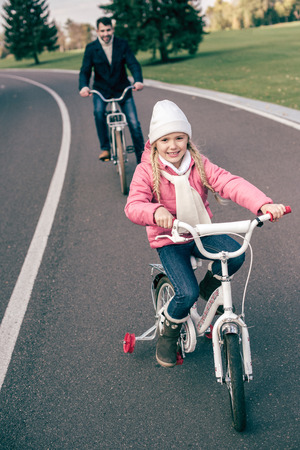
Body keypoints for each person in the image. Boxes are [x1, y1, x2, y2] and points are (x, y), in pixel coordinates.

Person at [124, 100, 286, 369]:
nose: (173, 145)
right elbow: (134, 205)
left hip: (200, 231)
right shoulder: (146, 171)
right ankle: (168, 333)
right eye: (165, 140)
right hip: (170, 239)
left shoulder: (198, 164)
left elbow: (229, 182)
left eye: (179, 138)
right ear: (154, 143)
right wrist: (155, 212)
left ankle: (209, 289)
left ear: (188, 138)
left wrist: (262, 204)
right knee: (185, 294)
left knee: (236, 254)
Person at [79, 17, 144, 164]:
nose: (105, 33)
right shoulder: (91, 48)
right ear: (97, 31)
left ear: (112, 29)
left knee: (134, 123)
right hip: (101, 90)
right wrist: (84, 86)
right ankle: (106, 148)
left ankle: (143, 162)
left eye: (108, 30)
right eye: (102, 30)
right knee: (98, 113)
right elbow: (85, 71)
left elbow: (133, 64)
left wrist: (138, 80)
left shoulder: (122, 44)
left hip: (122, 88)